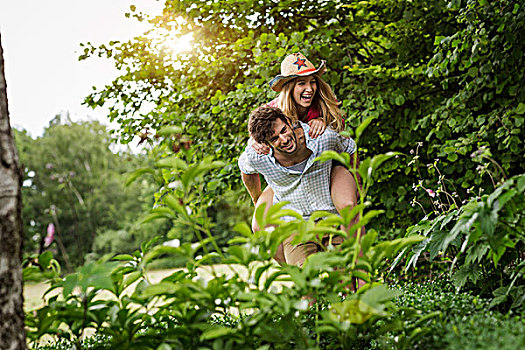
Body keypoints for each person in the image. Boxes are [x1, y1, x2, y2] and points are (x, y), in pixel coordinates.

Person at [250, 52, 360, 233]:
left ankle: (355, 256)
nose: (310, 88)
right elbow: (254, 137)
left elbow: (342, 135)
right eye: (302, 83)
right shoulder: (273, 111)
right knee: (259, 224)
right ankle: (289, 261)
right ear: (290, 87)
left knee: (348, 206)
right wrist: (256, 142)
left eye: (313, 81)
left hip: (328, 166)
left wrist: (324, 121)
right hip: (289, 173)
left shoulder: (323, 103)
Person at [238, 106, 357, 266]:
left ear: (289, 121)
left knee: (345, 281)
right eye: (274, 139)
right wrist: (256, 198)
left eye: (284, 130)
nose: (284, 139)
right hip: (296, 226)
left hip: (330, 218)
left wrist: (357, 183)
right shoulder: (258, 155)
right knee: (305, 284)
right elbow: (245, 168)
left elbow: (349, 147)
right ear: (265, 143)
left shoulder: (322, 138)